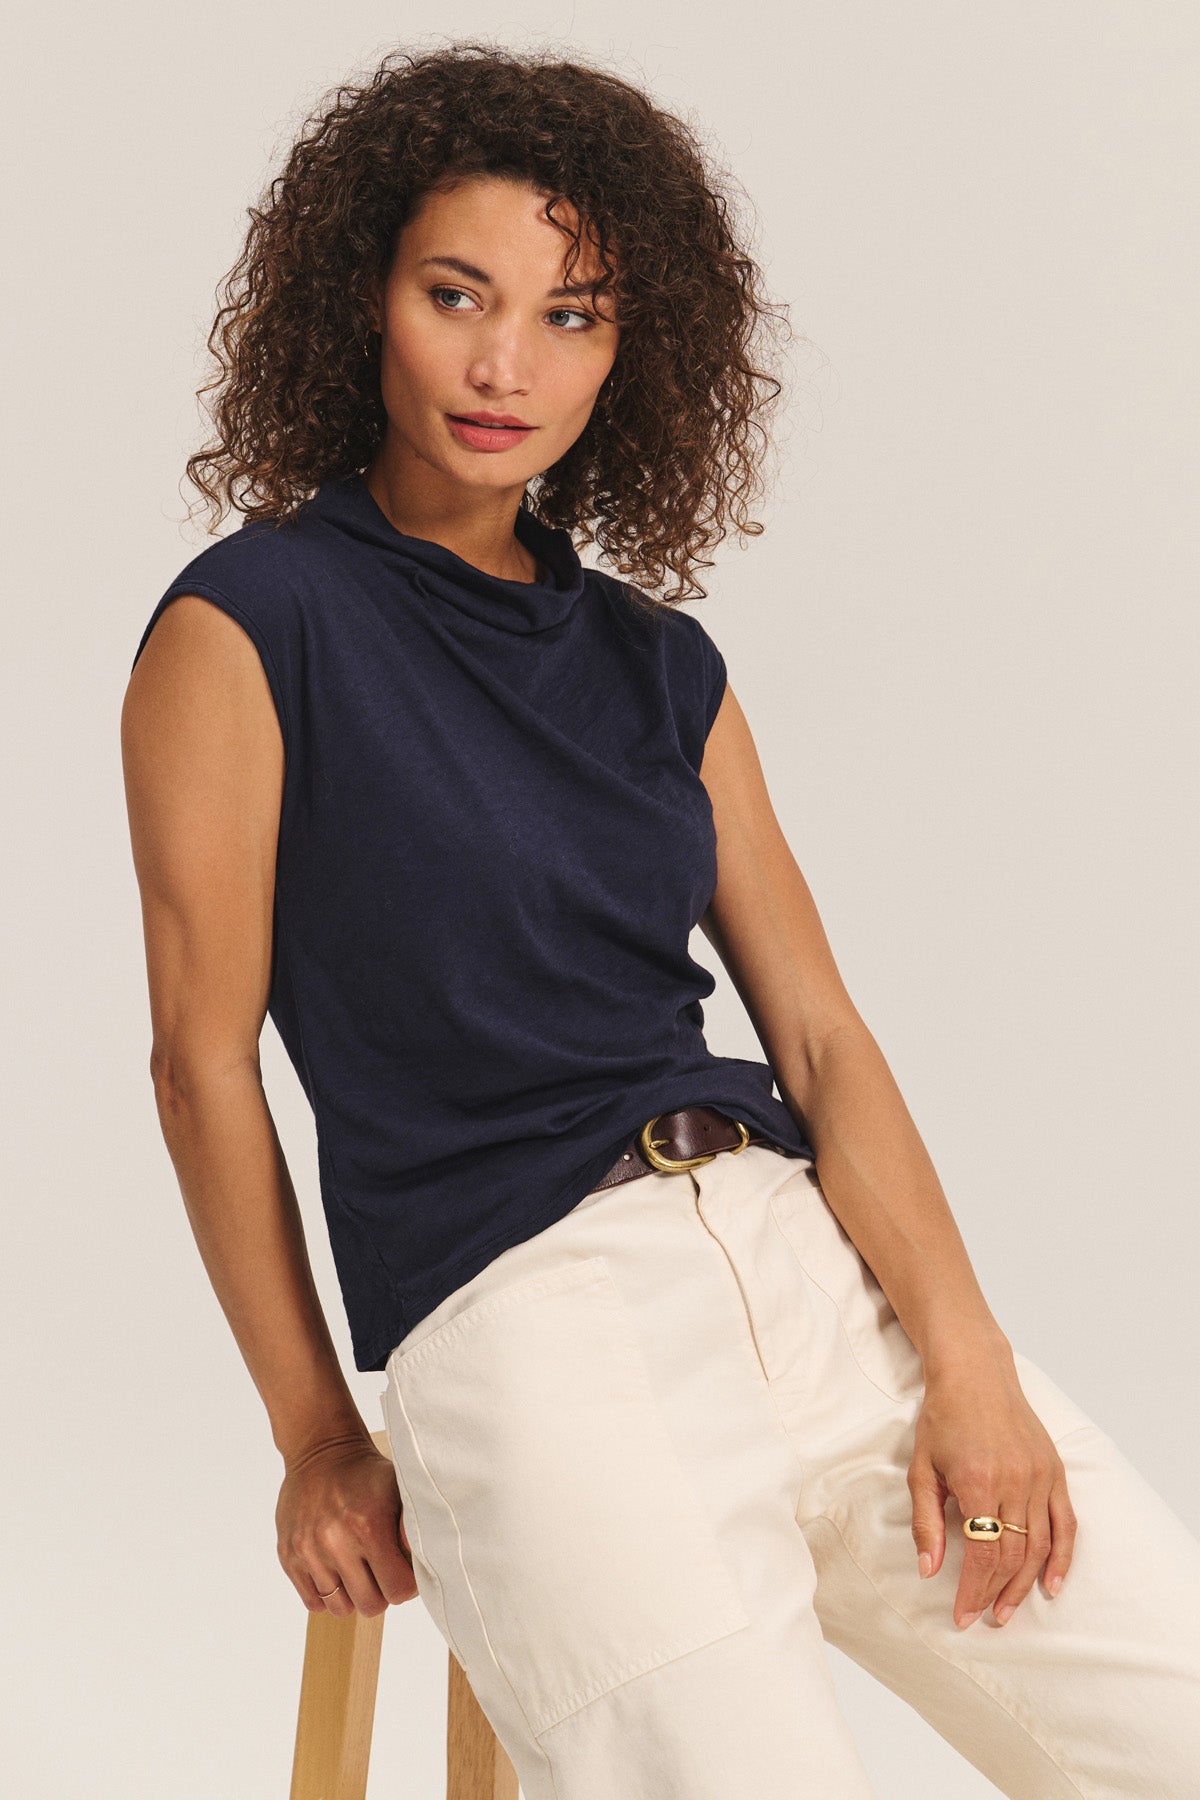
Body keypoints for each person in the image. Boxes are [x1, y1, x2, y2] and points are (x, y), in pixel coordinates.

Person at [121, 42, 1200, 1800]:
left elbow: (823, 1037)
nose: (503, 364)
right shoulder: (252, 626)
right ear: (362, 297)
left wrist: (970, 1356)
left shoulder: (657, 662)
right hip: (537, 1328)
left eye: (573, 316)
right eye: (455, 293)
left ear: (636, 352)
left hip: (799, 1262)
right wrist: (316, 1431)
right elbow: (200, 1063)